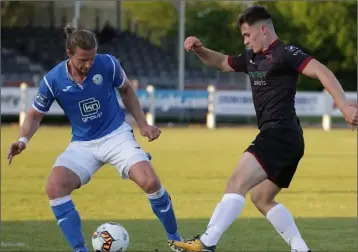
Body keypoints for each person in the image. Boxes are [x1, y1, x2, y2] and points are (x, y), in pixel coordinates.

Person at [170, 5, 357, 252]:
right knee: (261, 198)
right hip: (287, 140)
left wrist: (343, 105)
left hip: (280, 134)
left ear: (263, 29)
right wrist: (199, 49)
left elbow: (322, 71)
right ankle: (300, 249)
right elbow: (221, 62)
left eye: (248, 35)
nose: (245, 40)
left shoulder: (286, 53)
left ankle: (207, 243)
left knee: (236, 182)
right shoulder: (250, 58)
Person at [7, 24, 182, 252]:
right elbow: (34, 115)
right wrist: (23, 140)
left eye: (92, 58)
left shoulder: (107, 63)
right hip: (83, 144)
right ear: (69, 54)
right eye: (83, 60)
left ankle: (176, 240)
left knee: (151, 182)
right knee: (54, 187)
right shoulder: (53, 80)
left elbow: (127, 90)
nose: (89, 65)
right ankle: (80, 250)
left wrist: (143, 125)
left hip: (117, 135)